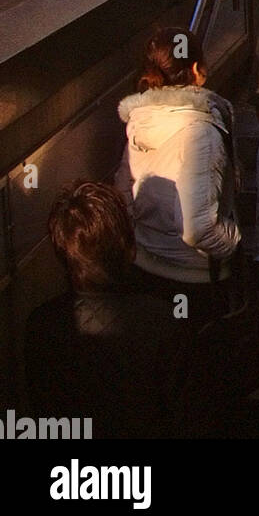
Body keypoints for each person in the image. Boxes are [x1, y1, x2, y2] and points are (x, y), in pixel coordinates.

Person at [23, 181, 193, 439]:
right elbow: (180, 419)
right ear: (127, 246)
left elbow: (42, 414)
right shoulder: (163, 323)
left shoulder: (41, 325)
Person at [114, 28, 240, 324]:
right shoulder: (202, 132)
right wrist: (233, 241)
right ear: (197, 69)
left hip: (146, 269)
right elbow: (196, 229)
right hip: (196, 281)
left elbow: (122, 188)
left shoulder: (139, 121)